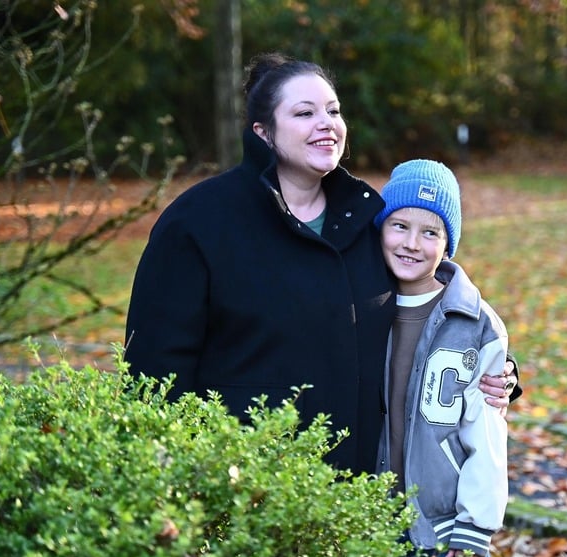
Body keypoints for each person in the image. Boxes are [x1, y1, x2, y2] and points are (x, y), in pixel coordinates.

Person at [124, 52, 519, 476]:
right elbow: (154, 368)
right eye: (305, 112)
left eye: (333, 110)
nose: (326, 123)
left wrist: (494, 368)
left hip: (357, 494)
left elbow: (430, 298)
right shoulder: (199, 222)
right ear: (263, 132)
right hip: (243, 489)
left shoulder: (367, 220)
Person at [374, 159, 508, 557]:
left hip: (450, 532)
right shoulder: (362, 306)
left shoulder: (474, 321)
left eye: (430, 232)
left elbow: (487, 428)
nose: (412, 243)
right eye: (400, 225)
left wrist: (476, 522)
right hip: (375, 527)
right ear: (381, 227)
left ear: (449, 243)